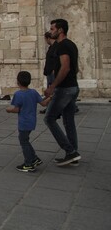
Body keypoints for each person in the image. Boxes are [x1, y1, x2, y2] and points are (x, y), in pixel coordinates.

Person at [44, 18, 81, 166]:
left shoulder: (62, 46)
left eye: (53, 29)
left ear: (60, 30)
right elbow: (76, 68)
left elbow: (65, 67)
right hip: (73, 87)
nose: (51, 31)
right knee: (68, 120)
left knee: (49, 118)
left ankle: (70, 151)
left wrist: (52, 86)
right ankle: (72, 154)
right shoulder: (72, 44)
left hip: (65, 89)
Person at [6, 71, 51, 172]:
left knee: (23, 142)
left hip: (24, 122)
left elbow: (16, 109)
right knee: (25, 140)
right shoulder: (33, 92)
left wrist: (8, 109)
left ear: (18, 82)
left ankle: (28, 163)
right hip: (32, 122)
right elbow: (43, 103)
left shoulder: (18, 94)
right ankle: (34, 158)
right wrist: (51, 98)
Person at [40, 31, 57, 114]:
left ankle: (50, 109)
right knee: (50, 91)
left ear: (48, 38)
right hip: (49, 72)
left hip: (52, 73)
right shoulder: (51, 47)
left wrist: (54, 71)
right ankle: (49, 108)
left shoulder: (56, 47)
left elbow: (56, 61)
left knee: (52, 91)